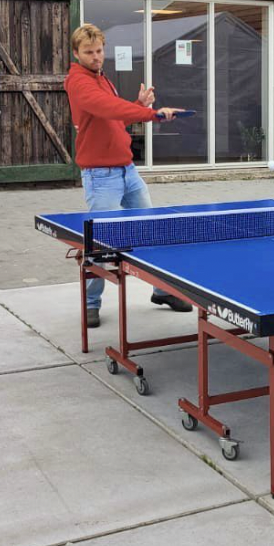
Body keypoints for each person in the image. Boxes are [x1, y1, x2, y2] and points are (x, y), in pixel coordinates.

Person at [65, 24, 187, 328]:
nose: (96, 57)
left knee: (151, 231)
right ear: (76, 53)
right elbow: (106, 109)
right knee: (100, 242)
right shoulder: (78, 82)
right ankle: (91, 304)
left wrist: (137, 106)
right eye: (89, 52)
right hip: (100, 175)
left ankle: (162, 291)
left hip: (128, 170)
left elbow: (113, 118)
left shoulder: (102, 78)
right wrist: (152, 114)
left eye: (99, 51)